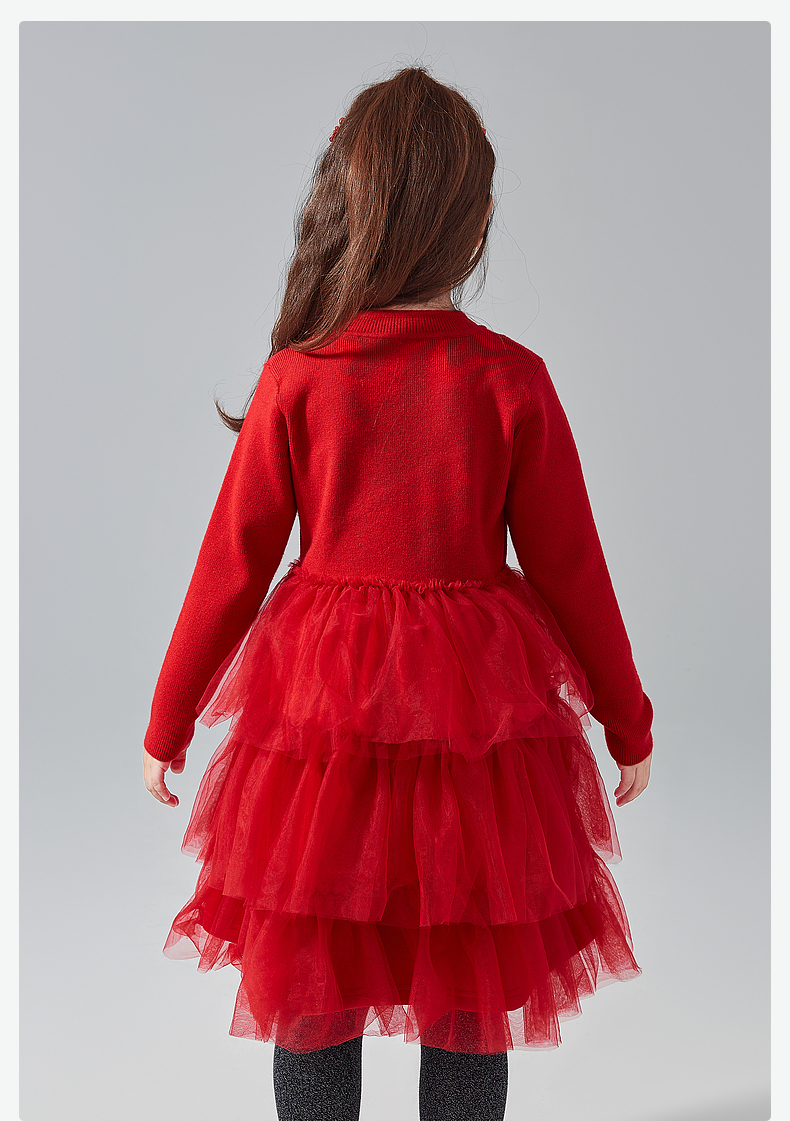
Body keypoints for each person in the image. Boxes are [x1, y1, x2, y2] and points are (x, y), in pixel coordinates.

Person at [142, 65, 653, 1121]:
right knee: (467, 986)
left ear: (351, 206)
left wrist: (170, 718)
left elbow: (232, 563)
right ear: (478, 225)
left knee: (314, 982)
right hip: (474, 731)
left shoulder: (300, 374)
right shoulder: (509, 378)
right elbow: (572, 567)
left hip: (321, 728)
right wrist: (625, 716)